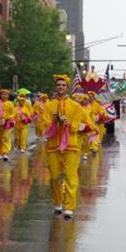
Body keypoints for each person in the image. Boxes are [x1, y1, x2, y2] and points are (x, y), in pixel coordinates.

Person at [41, 74, 83, 219]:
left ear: (67, 87)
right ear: (55, 87)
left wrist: (68, 123)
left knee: (71, 176)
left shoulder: (76, 106)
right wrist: (54, 123)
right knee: (54, 176)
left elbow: (76, 126)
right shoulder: (48, 106)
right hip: (53, 146)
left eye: (63, 85)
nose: (60, 87)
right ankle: (57, 202)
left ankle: (69, 206)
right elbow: (44, 126)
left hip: (71, 146)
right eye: (58, 85)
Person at [73, 93, 98, 161]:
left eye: (86, 99)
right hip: (76, 130)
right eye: (84, 99)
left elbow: (89, 118)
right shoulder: (76, 108)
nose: (85, 101)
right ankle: (77, 155)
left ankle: (85, 153)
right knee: (77, 143)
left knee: (86, 142)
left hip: (87, 128)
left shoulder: (88, 108)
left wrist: (94, 127)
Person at [0, 89, 15, 160]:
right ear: (0, 95)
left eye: (6, 94)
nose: (4, 95)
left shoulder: (11, 104)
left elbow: (13, 113)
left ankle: (5, 153)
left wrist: (7, 118)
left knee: (6, 137)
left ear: (8, 96)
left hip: (7, 122)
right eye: (2, 94)